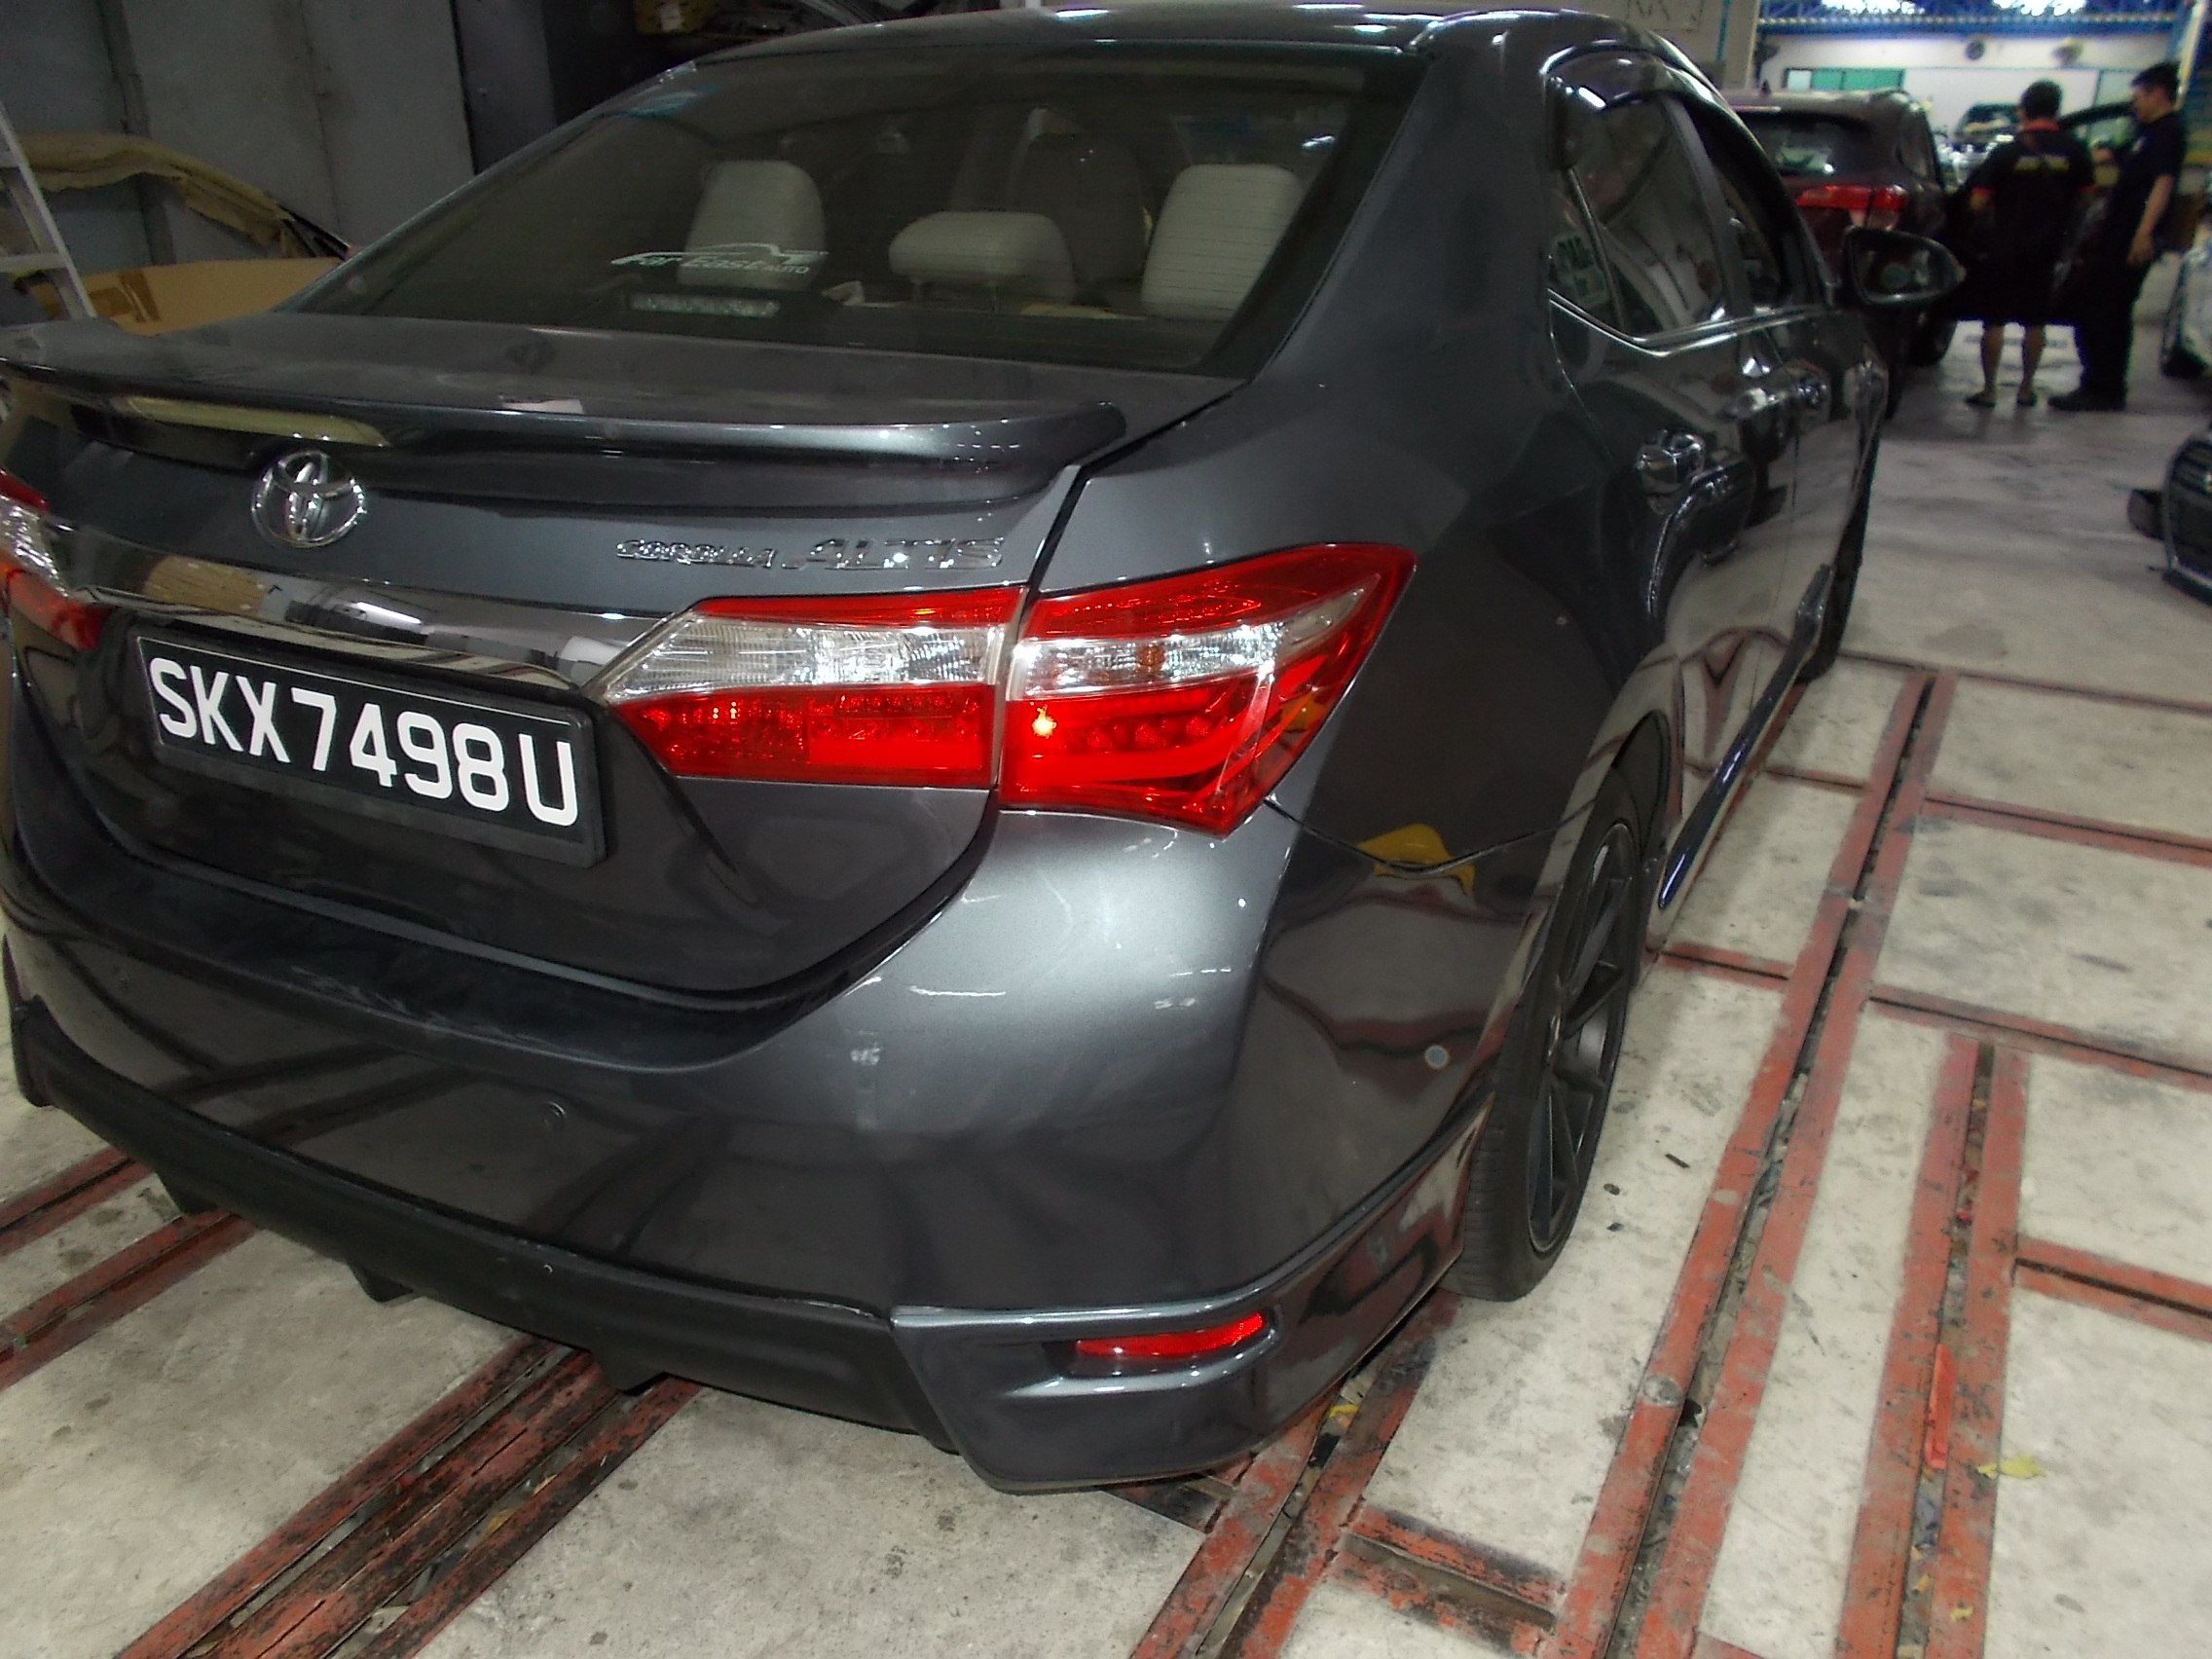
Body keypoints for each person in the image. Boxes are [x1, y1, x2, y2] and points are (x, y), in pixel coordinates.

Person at [2052, 61, 2187, 411]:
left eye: (2139, 96)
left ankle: (2104, 388)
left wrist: (2144, 233)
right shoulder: (2146, 134)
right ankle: (2098, 383)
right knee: (2100, 308)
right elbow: (2117, 159)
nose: (2134, 104)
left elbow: (2163, 183)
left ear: (2157, 94)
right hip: (2118, 234)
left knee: (2107, 310)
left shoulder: (2168, 132)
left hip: (2132, 237)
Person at [1961, 81, 2094, 408]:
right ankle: (2026, 389)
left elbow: (1977, 201)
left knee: (1995, 320)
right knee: (2036, 321)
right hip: (2048, 248)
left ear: (2023, 111)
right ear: (2057, 110)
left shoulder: (2007, 152)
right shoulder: (2075, 149)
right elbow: (2087, 199)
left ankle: (1989, 390)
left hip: (2004, 247)